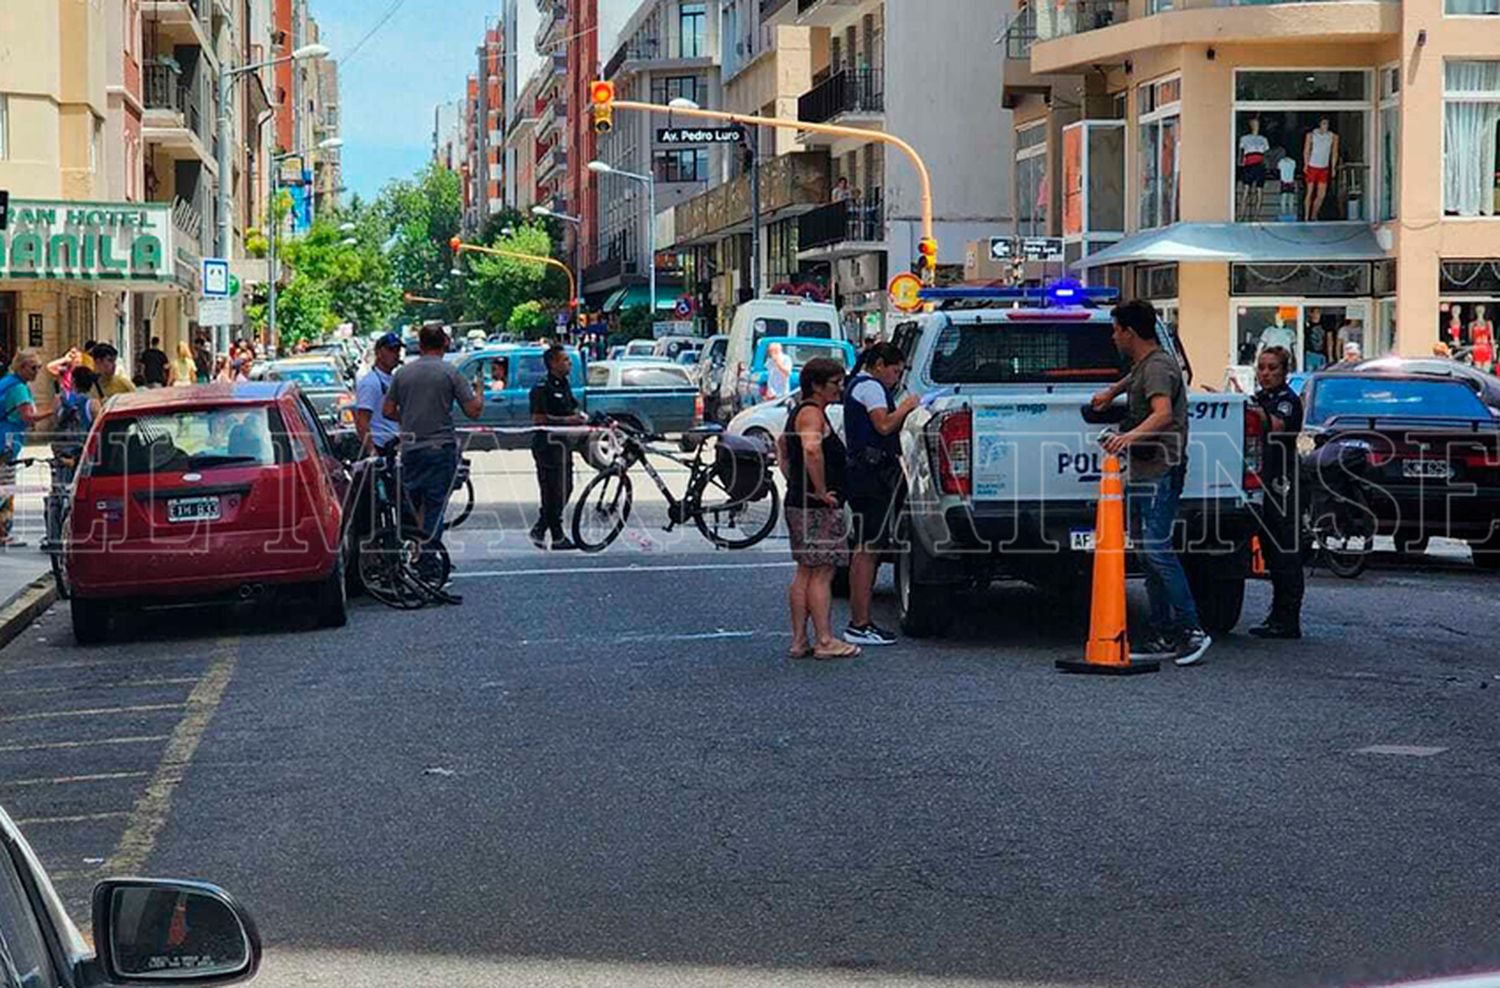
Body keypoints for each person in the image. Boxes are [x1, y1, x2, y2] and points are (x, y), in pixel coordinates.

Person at [1092, 299, 1211, 666]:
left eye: (1116, 330)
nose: (1113, 337)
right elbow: (1138, 375)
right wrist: (1113, 392)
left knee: (1158, 550)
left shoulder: (1157, 367)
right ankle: (1163, 633)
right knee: (1147, 553)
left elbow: (1161, 414)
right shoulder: (1149, 363)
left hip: (1161, 470)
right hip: (1147, 471)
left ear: (1130, 332)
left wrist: (1127, 439)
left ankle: (1192, 631)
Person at [382, 324, 483, 570]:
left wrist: (408, 419)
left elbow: (387, 410)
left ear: (421, 343)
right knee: (435, 505)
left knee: (416, 504)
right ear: (445, 343)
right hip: (440, 447)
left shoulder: (403, 374)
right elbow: (473, 411)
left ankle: (419, 554)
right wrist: (479, 391)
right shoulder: (450, 373)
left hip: (411, 449)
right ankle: (428, 559)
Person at [777, 358, 858, 659]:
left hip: (799, 500)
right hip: (816, 506)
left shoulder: (798, 412)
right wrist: (822, 491)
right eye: (835, 383)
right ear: (816, 385)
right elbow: (812, 449)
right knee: (822, 571)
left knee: (805, 571)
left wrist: (795, 482)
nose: (840, 388)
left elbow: (783, 449)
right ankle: (825, 640)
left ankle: (800, 640)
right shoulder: (812, 415)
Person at [841, 342, 919, 647]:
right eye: (895, 371)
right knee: (868, 549)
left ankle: (861, 621)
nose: (896, 378)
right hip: (871, 475)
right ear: (879, 365)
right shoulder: (870, 388)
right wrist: (905, 407)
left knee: (866, 548)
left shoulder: (859, 385)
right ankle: (860, 623)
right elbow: (884, 425)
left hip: (864, 473)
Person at [1247, 346, 1304, 639]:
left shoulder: (1286, 400)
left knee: (1285, 549)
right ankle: (1276, 616)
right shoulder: (1261, 399)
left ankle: (1288, 619)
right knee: (1271, 549)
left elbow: (1278, 424)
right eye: (1262, 367)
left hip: (1283, 480)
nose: (1266, 373)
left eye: (1272, 368)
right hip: (1264, 480)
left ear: (1284, 372)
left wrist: (1252, 411)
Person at [528, 345, 586, 550]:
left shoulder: (563, 384)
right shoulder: (542, 388)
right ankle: (556, 534)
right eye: (565, 360)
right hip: (547, 446)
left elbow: (573, 405)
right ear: (552, 363)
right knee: (552, 491)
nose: (569, 363)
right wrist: (568, 420)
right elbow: (539, 419)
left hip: (563, 444)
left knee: (564, 488)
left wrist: (581, 418)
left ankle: (541, 528)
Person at [0, 351, 59, 547]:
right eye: (34, 368)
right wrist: (53, 409)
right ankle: (2, 533)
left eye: (39, 367)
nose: (37, 372)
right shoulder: (18, 389)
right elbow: (28, 416)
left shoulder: (7, 382)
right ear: (21, 367)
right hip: (6, 442)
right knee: (5, 487)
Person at [354, 332, 402, 453]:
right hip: (381, 447)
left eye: (398, 350)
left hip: (396, 445)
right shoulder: (370, 382)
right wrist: (372, 451)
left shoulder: (393, 379)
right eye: (391, 350)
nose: (396, 354)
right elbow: (362, 420)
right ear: (379, 353)